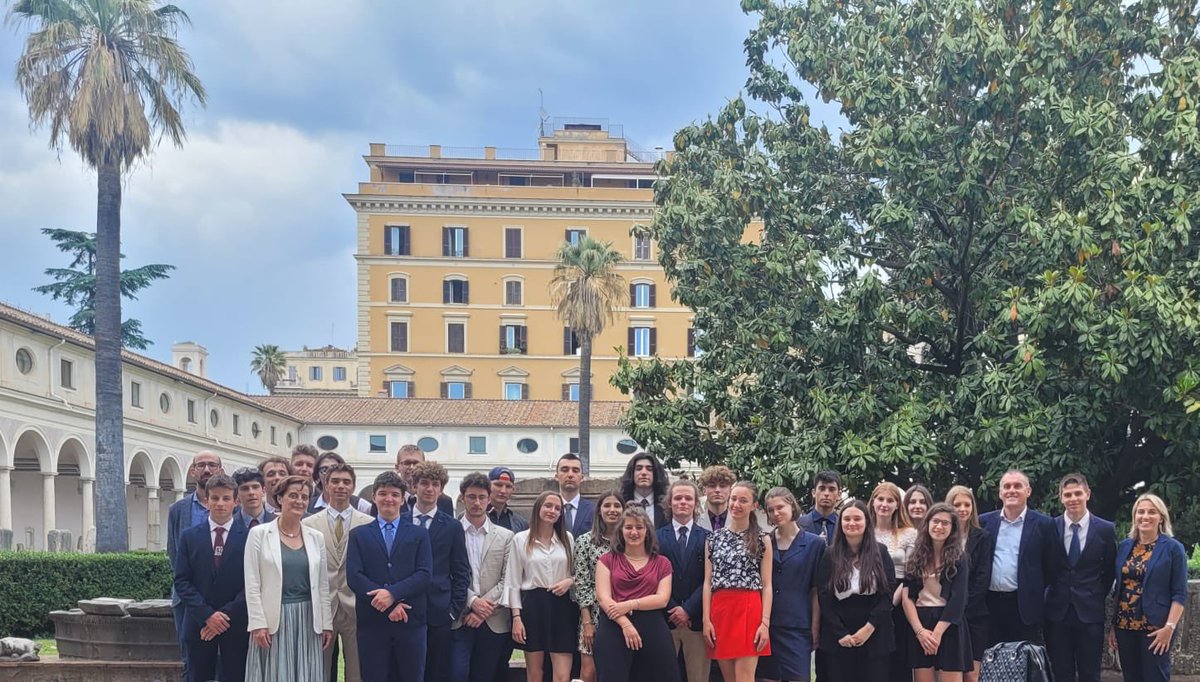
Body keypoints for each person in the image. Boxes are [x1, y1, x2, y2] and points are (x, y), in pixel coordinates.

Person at [244, 475, 333, 681]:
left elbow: (322, 585)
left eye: (304, 497)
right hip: (274, 619)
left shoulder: (315, 537)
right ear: (279, 498)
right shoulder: (258, 534)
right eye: (293, 495)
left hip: (308, 619)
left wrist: (326, 623)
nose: (299, 501)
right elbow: (252, 583)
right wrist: (258, 623)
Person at [347, 471, 433, 682]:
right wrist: (388, 604)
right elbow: (355, 576)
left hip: (410, 622)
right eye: (383, 493)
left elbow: (424, 574)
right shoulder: (359, 534)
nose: (389, 499)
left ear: (403, 499)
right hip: (373, 624)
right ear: (374, 497)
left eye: (395, 494)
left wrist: (393, 594)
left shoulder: (418, 534)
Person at [174, 474, 249, 682]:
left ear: (236, 502)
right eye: (215, 498)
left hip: (235, 623)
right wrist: (207, 615)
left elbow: (252, 584)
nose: (220, 503)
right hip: (199, 623)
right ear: (206, 501)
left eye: (226, 498)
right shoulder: (190, 537)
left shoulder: (250, 537)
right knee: (197, 676)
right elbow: (182, 580)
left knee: (236, 676)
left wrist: (223, 616)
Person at [302, 462, 373, 682]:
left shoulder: (369, 523)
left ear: (353, 486)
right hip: (322, 607)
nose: (340, 486)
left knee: (357, 671)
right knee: (319, 671)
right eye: (335, 481)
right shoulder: (308, 524)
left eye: (346, 482)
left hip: (356, 606)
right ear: (325, 484)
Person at [593, 503, 680, 682]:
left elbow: (662, 599)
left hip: (653, 627)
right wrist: (625, 624)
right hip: (613, 626)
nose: (634, 532)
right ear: (620, 531)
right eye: (629, 527)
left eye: (639, 527)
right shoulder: (606, 560)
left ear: (647, 531)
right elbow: (603, 597)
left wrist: (629, 604)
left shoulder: (662, 563)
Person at [1045, 473, 1116, 682]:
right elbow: (1046, 567)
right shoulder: (1050, 527)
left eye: (1078, 493)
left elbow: (1110, 571)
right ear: (1061, 498)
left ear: (1087, 494)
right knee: (1060, 672)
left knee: (1090, 673)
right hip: (1056, 612)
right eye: (1067, 494)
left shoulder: (1105, 529)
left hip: (1090, 613)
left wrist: (1094, 593)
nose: (1073, 498)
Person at [1109, 494, 1188, 682]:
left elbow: (1179, 592)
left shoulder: (1173, 548)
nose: (1145, 517)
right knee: (1131, 677)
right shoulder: (1125, 546)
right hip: (1124, 626)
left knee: (1156, 677)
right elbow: (1119, 588)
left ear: (1161, 517)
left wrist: (1169, 627)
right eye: (1140, 512)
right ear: (1134, 517)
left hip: (1156, 628)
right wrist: (1113, 626)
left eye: (1152, 512)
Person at [815, 500, 895, 682]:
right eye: (847, 519)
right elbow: (824, 596)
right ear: (840, 523)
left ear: (867, 522)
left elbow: (888, 593)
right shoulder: (830, 554)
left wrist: (869, 628)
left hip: (875, 632)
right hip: (839, 635)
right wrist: (840, 633)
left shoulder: (880, 552)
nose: (852, 523)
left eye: (857, 519)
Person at [703, 480, 773, 682]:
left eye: (743, 500)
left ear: (754, 505)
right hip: (720, 610)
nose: (736, 504)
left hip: (749, 609)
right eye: (733, 499)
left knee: (745, 678)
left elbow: (767, 585)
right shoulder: (714, 538)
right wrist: (706, 619)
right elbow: (708, 582)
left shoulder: (762, 539)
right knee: (729, 678)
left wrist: (764, 623)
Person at [506, 490, 578, 682]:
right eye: (548, 506)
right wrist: (516, 618)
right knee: (535, 673)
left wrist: (569, 581)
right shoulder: (520, 539)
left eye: (557, 508)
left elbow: (578, 574)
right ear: (538, 507)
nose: (552, 511)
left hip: (562, 606)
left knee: (563, 676)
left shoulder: (567, 539)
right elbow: (513, 581)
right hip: (533, 606)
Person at [450, 473, 516, 682]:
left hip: (493, 619)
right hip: (460, 617)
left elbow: (509, 578)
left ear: (489, 499)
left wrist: (483, 609)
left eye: (481, 497)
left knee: (486, 676)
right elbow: (446, 574)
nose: (477, 502)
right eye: (471, 497)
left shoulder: (505, 536)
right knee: (457, 673)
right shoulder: (451, 532)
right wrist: (472, 601)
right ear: (462, 498)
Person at [409, 461, 471, 682]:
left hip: (440, 612)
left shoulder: (452, 526)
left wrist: (453, 610)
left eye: (435, 484)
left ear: (441, 489)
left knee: (437, 672)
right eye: (424, 483)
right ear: (414, 486)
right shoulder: (400, 521)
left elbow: (461, 571)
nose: (429, 489)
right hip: (405, 609)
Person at [979, 469, 1056, 646]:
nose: (1011, 490)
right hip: (989, 606)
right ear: (1000, 493)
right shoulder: (984, 522)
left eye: (1017, 486)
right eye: (1006, 486)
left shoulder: (1044, 524)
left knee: (1024, 665)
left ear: (1028, 491)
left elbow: (1052, 568)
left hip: (1024, 608)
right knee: (991, 665)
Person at [167, 450, 224, 678]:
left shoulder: (231, 508)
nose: (207, 469)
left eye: (212, 465)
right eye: (201, 465)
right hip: (187, 600)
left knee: (225, 661)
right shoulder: (178, 510)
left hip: (223, 601)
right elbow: (174, 553)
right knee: (190, 662)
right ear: (192, 472)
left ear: (221, 470)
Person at [758, 487, 824, 682]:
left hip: (798, 625)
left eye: (780, 507)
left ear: (792, 506)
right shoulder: (764, 541)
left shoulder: (814, 544)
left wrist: (814, 626)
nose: (776, 513)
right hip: (767, 624)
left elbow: (816, 590)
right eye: (771, 510)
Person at [902, 503, 972, 682]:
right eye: (935, 521)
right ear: (927, 524)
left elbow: (958, 599)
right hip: (921, 623)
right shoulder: (916, 556)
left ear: (952, 528)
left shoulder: (960, 558)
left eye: (945, 523)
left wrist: (937, 634)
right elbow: (907, 597)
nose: (939, 527)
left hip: (948, 624)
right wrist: (920, 632)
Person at [658, 480, 711, 682]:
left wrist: (688, 609)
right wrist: (674, 609)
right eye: (678, 498)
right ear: (669, 503)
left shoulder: (708, 537)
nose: (683, 502)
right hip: (665, 619)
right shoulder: (655, 537)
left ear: (695, 503)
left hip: (695, 620)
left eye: (688, 498)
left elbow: (709, 578)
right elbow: (653, 577)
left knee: (698, 677)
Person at [574, 491, 624, 682]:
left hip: (623, 611)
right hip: (593, 614)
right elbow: (582, 584)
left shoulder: (629, 542)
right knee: (589, 672)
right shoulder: (585, 542)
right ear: (599, 511)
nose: (612, 510)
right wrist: (587, 623)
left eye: (617, 506)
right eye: (607, 506)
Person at [869, 482, 917, 682]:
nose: (884, 504)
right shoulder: (865, 532)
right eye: (881, 499)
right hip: (870, 598)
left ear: (898, 505)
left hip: (899, 600)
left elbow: (910, 575)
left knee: (898, 661)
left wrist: (890, 603)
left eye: (890, 500)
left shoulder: (909, 533)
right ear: (873, 502)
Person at [945, 485, 993, 682]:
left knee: (972, 675)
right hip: (946, 616)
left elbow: (983, 578)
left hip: (974, 614)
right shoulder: (942, 536)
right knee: (950, 672)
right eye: (957, 504)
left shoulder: (983, 537)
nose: (962, 509)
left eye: (967, 504)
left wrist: (962, 607)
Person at [394, 444, 455, 515]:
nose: (411, 467)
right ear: (397, 467)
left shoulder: (444, 501)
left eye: (416, 463)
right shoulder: (390, 499)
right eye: (407, 463)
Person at [617, 452, 670, 529]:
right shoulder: (621, 504)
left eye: (649, 469)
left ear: (656, 473)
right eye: (638, 468)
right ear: (632, 473)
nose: (644, 473)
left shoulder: (667, 505)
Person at [556, 453, 594, 537]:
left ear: (582, 477)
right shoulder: (547, 509)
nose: (570, 475)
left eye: (575, 470)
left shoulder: (593, 510)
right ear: (556, 476)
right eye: (565, 470)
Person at [798, 471, 841, 544]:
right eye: (822, 489)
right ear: (814, 493)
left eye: (831, 489)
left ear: (839, 494)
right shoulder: (798, 525)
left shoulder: (843, 525)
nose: (826, 493)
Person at [487, 466, 529, 533]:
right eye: (498, 485)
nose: (503, 491)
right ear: (487, 486)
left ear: (513, 490)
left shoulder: (521, 524)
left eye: (508, 486)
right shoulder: (473, 516)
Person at [696, 465, 734, 532]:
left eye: (722, 486)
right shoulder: (695, 521)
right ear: (704, 490)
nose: (717, 490)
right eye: (712, 486)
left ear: (730, 491)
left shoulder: (739, 521)